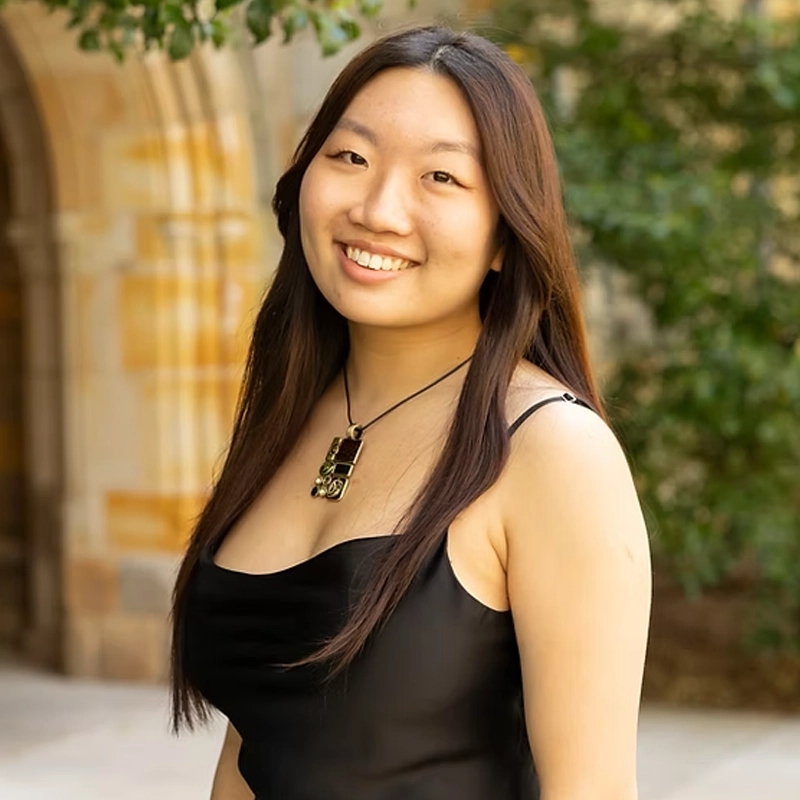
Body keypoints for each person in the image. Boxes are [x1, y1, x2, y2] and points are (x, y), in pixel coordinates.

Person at [170, 24, 652, 800]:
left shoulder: (552, 451)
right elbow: (261, 736)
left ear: (506, 233)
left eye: (441, 178)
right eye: (351, 157)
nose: (379, 208)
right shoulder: (299, 409)